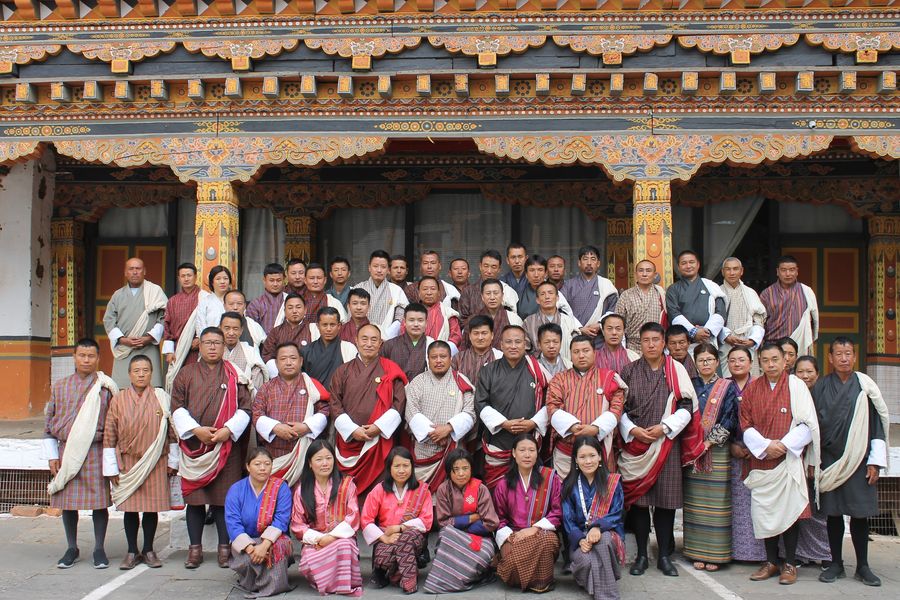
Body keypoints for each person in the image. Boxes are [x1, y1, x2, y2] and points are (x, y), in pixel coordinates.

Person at [617, 322, 702, 577]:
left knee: (666, 504)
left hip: (666, 443)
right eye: (646, 340)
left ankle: (664, 556)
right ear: (639, 343)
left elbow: (687, 406)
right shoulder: (629, 371)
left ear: (663, 342)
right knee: (640, 504)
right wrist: (632, 430)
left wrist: (664, 428)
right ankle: (642, 556)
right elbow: (618, 408)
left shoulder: (676, 370)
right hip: (636, 446)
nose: (651, 344)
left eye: (656, 339)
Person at [172, 326, 252, 569]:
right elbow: (176, 407)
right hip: (195, 445)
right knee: (195, 501)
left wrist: (227, 430)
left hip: (226, 446)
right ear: (200, 345)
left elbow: (246, 408)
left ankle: (224, 549)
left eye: (217, 343)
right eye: (208, 342)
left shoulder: (234, 374)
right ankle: (194, 549)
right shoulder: (185, 374)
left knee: (223, 500)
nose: (213, 347)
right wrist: (197, 431)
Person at [739, 343, 820, 585]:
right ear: (759, 362)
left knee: (790, 513)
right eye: (766, 360)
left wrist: (783, 445)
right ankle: (771, 561)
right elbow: (745, 424)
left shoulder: (797, 386)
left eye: (775, 359)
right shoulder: (753, 389)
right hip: (762, 460)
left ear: (785, 360)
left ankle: (790, 564)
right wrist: (765, 446)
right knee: (765, 513)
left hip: (788, 459)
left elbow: (808, 423)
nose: (771, 364)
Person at [814, 338, 889, 586]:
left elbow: (877, 424)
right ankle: (836, 564)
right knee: (833, 514)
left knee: (860, 514)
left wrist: (874, 462)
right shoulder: (822, 386)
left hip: (859, 458)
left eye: (848, 353)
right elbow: (811, 424)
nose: (844, 358)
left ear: (854, 357)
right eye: (839, 354)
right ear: (831, 358)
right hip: (830, 459)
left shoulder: (865, 387)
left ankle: (863, 566)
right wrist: (812, 460)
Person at [45, 338, 118, 569]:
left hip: (96, 449)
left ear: (98, 358)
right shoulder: (60, 386)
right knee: (68, 503)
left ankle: (99, 549)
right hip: (67, 450)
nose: (86, 360)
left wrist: (112, 457)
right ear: (74, 357)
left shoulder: (106, 388)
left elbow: (114, 424)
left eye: (91, 356)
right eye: (82, 355)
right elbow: (48, 425)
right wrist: (53, 456)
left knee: (99, 503)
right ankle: (71, 547)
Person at [103, 355, 179, 570]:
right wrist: (110, 467)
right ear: (129, 374)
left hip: (155, 460)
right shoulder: (118, 399)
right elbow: (110, 433)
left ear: (151, 373)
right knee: (130, 508)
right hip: (129, 462)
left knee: (151, 508)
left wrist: (173, 460)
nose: (141, 374)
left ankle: (148, 549)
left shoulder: (161, 397)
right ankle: (131, 551)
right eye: (136, 370)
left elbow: (172, 432)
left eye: (145, 370)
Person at [682, 343, 740, 572]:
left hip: (717, 451)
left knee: (717, 504)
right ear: (695, 363)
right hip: (693, 451)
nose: (705, 364)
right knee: (695, 504)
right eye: (701, 360)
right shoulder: (691, 385)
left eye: (709, 359)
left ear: (717, 362)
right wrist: (694, 444)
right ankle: (696, 551)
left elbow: (730, 418)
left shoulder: (727, 387)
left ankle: (716, 554)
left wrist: (709, 442)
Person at [331, 323, 408, 493]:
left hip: (379, 440)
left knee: (378, 487)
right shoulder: (342, 371)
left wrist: (378, 428)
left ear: (381, 343)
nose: (369, 343)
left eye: (374, 340)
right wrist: (352, 430)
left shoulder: (391, 369)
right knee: (347, 488)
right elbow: (335, 403)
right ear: (356, 341)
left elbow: (399, 403)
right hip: (349, 440)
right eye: (364, 339)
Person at [475, 325, 548, 488]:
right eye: (508, 342)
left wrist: (534, 423)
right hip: (498, 442)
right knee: (497, 491)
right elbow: (480, 402)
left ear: (525, 344)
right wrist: (503, 423)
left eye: (518, 342)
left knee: (528, 489)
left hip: (528, 440)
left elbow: (551, 401)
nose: (513, 346)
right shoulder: (489, 370)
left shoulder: (536, 369)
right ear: (500, 344)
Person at [546, 335, 625, 478]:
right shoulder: (559, 379)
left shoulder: (609, 377)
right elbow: (553, 407)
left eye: (585, 350)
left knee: (599, 496)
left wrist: (595, 429)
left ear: (595, 353)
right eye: (576, 352)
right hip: (566, 451)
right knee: (566, 495)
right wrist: (573, 427)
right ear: (570, 355)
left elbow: (616, 409)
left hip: (598, 450)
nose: (581, 355)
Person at [252, 342, 330, 486]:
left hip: (303, 453)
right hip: (274, 456)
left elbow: (324, 410)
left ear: (300, 361)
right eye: (283, 359)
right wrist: (276, 427)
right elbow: (256, 413)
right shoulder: (266, 388)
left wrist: (306, 427)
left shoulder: (311, 384)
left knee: (302, 498)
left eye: (293, 358)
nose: (288, 362)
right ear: (276, 363)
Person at [291, 440, 362, 597]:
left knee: (344, 546)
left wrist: (331, 537)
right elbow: (297, 524)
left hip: (341, 537)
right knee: (308, 559)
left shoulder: (346, 484)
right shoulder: (302, 490)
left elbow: (353, 516)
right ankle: (326, 582)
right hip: (315, 541)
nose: (325, 463)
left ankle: (341, 585)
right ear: (310, 463)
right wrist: (319, 539)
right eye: (319, 459)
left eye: (328, 458)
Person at [492, 435, 563, 593]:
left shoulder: (550, 478)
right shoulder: (503, 484)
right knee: (510, 567)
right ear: (513, 453)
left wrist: (534, 529)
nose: (527, 454)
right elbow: (499, 519)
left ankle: (540, 582)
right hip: (514, 535)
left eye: (531, 450)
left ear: (537, 453)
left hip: (541, 532)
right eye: (522, 450)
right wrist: (511, 537)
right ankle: (532, 578)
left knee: (547, 541)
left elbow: (556, 512)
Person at [424, 448, 499, 593]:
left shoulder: (480, 489)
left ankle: (477, 576)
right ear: (449, 471)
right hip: (452, 536)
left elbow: (491, 523)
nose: (461, 473)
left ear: (471, 469)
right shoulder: (443, 489)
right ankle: (446, 581)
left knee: (482, 552)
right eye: (456, 469)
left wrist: (460, 527)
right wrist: (471, 517)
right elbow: (442, 522)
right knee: (445, 534)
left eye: (465, 468)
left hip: (480, 538)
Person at [361, 446, 434, 594]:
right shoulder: (379, 490)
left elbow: (426, 520)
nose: (402, 470)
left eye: (406, 466)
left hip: (413, 537)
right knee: (385, 556)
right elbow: (366, 519)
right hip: (387, 538)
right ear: (389, 468)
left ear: (412, 467)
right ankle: (397, 574)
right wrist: (384, 538)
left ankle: (408, 581)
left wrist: (400, 528)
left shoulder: (422, 490)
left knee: (406, 539)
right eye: (397, 466)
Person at [405, 341, 476, 490]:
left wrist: (449, 428)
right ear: (428, 359)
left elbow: (470, 413)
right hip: (424, 450)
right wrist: (435, 434)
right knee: (422, 495)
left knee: (452, 493)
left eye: (443, 356)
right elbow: (411, 412)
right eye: (434, 357)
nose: (438, 360)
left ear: (451, 358)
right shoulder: (418, 382)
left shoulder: (461, 381)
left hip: (453, 448)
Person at [562, 436, 626, 600]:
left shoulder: (612, 482)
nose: (588, 461)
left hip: (607, 533)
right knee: (586, 562)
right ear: (575, 460)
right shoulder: (569, 485)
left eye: (592, 455)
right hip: (581, 538)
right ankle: (606, 582)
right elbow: (567, 519)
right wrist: (580, 539)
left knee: (603, 540)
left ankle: (606, 595)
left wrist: (598, 527)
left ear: (599, 457)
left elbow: (617, 513)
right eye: (582, 457)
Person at [224, 448, 294, 598]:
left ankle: (269, 585)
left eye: (267, 464)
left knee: (275, 550)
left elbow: (282, 519)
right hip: (246, 541)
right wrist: (250, 548)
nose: (262, 468)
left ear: (271, 466)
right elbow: (232, 522)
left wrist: (264, 545)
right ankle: (258, 581)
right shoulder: (236, 490)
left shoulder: (281, 488)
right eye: (257, 464)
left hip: (273, 541)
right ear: (248, 466)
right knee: (248, 558)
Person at [787, 354, 833, 568]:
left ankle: (825, 554)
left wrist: (815, 457)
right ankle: (798, 554)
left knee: (818, 510)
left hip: (819, 458)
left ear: (817, 373)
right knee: (796, 508)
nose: (805, 376)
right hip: (794, 456)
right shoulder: (791, 392)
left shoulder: (824, 394)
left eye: (809, 372)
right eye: (800, 372)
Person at [103, 257, 167, 388]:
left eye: (138, 269)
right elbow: (109, 320)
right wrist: (122, 340)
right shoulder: (118, 295)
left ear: (144, 271)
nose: (135, 272)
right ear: (125, 272)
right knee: (122, 389)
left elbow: (165, 316)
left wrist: (149, 338)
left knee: (151, 389)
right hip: (124, 349)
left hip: (148, 347)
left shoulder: (155, 291)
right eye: (131, 269)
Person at [666, 250, 726, 350]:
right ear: (678, 267)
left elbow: (720, 312)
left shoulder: (711, 286)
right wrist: (694, 332)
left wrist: (707, 331)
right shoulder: (673, 289)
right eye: (684, 263)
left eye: (691, 262)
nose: (688, 266)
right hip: (684, 342)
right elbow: (673, 314)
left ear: (698, 265)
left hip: (707, 339)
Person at [163, 262, 208, 392]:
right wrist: (169, 351)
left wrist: (201, 338)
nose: (186, 278)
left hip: (198, 349)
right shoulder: (173, 301)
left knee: (197, 382)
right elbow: (167, 326)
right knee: (178, 383)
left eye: (189, 275)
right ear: (179, 278)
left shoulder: (204, 298)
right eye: (183, 276)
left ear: (195, 277)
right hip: (179, 350)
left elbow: (211, 322)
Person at [760, 255, 819, 354]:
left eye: (792, 270)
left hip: (800, 345)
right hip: (773, 345)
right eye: (783, 270)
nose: (788, 274)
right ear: (777, 272)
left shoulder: (806, 291)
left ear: (797, 271)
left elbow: (813, 321)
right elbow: (760, 322)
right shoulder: (767, 294)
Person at [719, 257, 766, 377]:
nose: (732, 272)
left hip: (747, 344)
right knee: (726, 382)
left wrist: (752, 340)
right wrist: (726, 336)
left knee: (750, 382)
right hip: (726, 345)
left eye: (735, 269)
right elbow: (713, 321)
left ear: (742, 271)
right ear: (722, 271)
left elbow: (759, 321)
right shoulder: (717, 292)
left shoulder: (750, 293)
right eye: (728, 269)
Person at [561, 246, 619, 342]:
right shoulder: (568, 285)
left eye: (593, 259)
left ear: (598, 263)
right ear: (579, 263)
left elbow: (613, 309)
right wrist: (579, 328)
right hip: (575, 336)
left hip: (599, 338)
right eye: (585, 259)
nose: (589, 263)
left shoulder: (606, 284)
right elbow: (562, 311)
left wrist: (600, 324)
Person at [352, 250, 409, 339]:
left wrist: (388, 334)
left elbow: (402, 316)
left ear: (388, 270)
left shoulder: (396, 290)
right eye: (375, 266)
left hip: (388, 339)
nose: (379, 270)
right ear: (369, 268)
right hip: (362, 338)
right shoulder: (358, 288)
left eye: (383, 267)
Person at [615, 260, 667, 354]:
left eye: (648, 271)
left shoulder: (661, 294)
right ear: (635, 274)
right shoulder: (626, 295)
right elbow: (618, 323)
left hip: (656, 346)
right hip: (632, 347)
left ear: (655, 275)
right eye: (641, 270)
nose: (644, 274)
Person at [458, 250, 519, 329]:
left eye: (493, 267)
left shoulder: (508, 291)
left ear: (499, 269)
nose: (489, 271)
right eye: (486, 266)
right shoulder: (468, 291)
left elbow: (513, 321)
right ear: (480, 266)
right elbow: (461, 322)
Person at [523, 281, 582, 362]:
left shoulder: (568, 320)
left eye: (550, 293)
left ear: (557, 297)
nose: (547, 297)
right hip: (538, 369)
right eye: (542, 294)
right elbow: (524, 349)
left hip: (565, 367)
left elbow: (576, 347)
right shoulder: (529, 322)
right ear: (537, 300)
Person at [301, 307, 358, 388]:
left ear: (339, 326)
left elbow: (354, 377)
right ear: (318, 326)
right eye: (324, 325)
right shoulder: (306, 351)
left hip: (339, 397)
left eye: (332, 325)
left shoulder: (348, 348)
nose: (328, 329)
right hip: (314, 397)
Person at [465, 279, 524, 351]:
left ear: (502, 295)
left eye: (496, 293)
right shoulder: (472, 319)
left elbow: (520, 346)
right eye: (488, 293)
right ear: (482, 297)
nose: (492, 297)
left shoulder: (514, 318)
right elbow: (465, 347)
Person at [261, 294, 313, 373]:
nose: (294, 311)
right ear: (284, 311)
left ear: (305, 310)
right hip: (280, 376)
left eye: (298, 307)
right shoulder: (276, 332)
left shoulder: (313, 330)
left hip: (307, 375)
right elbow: (267, 356)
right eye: (290, 308)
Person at [382, 303, 433, 381]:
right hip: (396, 391)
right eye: (411, 320)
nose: (416, 324)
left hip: (423, 391)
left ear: (426, 323)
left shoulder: (432, 345)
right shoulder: (389, 345)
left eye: (420, 320)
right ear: (404, 322)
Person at [220, 312, 267, 393]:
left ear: (241, 330)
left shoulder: (250, 351)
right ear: (220, 328)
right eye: (227, 328)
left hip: (245, 398)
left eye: (235, 329)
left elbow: (256, 383)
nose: (231, 333)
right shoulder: (213, 350)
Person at [451, 315, 502, 386]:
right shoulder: (458, 358)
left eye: (484, 333)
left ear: (492, 335)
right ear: (470, 336)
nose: (480, 337)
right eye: (476, 333)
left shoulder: (500, 357)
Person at [416, 276, 462, 350]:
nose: (429, 292)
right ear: (419, 293)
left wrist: (441, 350)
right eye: (425, 289)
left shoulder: (448, 313)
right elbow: (404, 335)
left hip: (441, 355)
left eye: (433, 289)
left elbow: (456, 337)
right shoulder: (410, 313)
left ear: (439, 293)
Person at [246, 263, 287, 335]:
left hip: (287, 344)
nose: (275, 284)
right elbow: (251, 330)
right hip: (262, 345)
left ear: (284, 280)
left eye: (279, 280)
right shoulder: (255, 304)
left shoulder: (290, 301)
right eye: (271, 280)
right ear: (264, 280)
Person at [195, 265, 233, 338]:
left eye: (225, 278)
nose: (222, 282)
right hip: (210, 342)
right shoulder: (205, 302)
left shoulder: (235, 301)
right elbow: (200, 326)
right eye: (218, 279)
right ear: (212, 282)